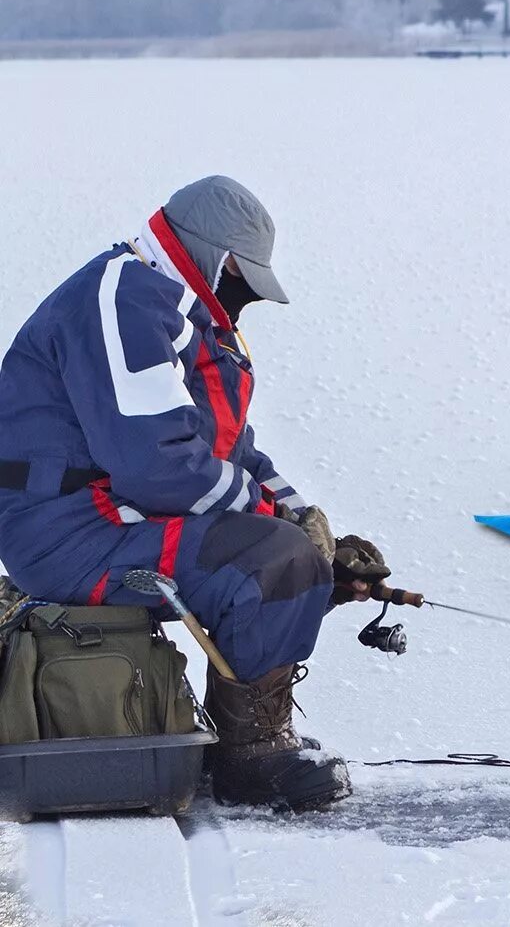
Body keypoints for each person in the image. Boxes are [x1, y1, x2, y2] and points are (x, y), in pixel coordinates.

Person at [0, 176, 388, 811]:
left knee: (284, 553)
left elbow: (229, 453)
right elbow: (156, 464)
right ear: (225, 260)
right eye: (247, 283)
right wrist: (282, 536)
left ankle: (252, 735)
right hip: (66, 532)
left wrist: (307, 526)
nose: (245, 301)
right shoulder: (124, 299)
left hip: (106, 521)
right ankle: (252, 759)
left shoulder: (176, 311)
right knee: (269, 560)